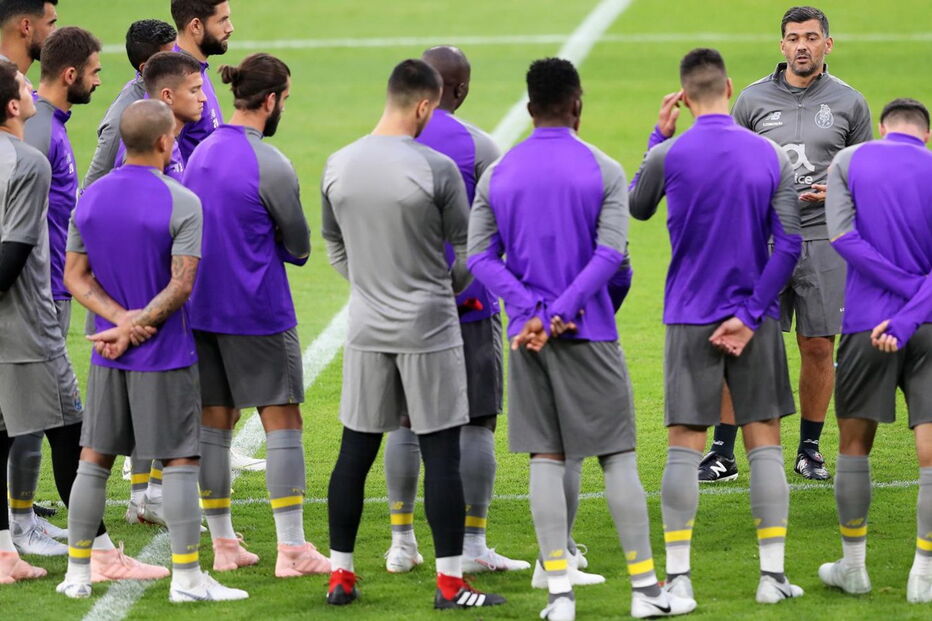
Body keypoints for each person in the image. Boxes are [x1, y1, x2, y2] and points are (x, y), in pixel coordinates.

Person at [468, 57, 694, 621]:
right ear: (577, 105)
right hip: (588, 332)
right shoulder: (604, 168)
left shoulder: (500, 172)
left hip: (528, 340)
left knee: (546, 457)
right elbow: (612, 254)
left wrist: (531, 313)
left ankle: (559, 596)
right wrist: (565, 310)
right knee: (617, 458)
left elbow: (479, 256)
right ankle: (645, 593)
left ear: (528, 108)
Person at [321, 58, 505, 610]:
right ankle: (451, 585)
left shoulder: (338, 163)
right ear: (425, 105)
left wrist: (372, 284)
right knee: (442, 452)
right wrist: (435, 288)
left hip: (367, 326)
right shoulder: (435, 167)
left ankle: (341, 577)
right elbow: (472, 248)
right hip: (430, 328)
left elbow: (334, 245)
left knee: (355, 452)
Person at [629, 48, 804, 606]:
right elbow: (791, 246)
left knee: (685, 445)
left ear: (683, 96)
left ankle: (678, 577)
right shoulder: (771, 153)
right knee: (765, 444)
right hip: (755, 321)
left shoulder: (671, 154)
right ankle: (773, 578)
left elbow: (637, 207)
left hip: (689, 317)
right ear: (729, 87)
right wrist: (750, 315)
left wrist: (658, 137)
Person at [57, 99, 247, 602]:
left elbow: (73, 276)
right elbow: (182, 284)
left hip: (107, 352)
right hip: (164, 353)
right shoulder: (181, 200)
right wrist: (137, 323)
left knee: (93, 461)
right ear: (166, 141)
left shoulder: (91, 197)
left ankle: (78, 574)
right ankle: (187, 580)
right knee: (182, 461)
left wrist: (117, 324)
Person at [702, 5, 873, 482]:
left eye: (812, 37)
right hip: (764, 241)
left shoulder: (850, 104)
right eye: (794, 37)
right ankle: (721, 452)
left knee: (817, 345)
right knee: (743, 341)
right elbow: (732, 168)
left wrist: (837, 192)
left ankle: (811, 450)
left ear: (827, 45)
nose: (802, 45)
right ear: (782, 45)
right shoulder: (752, 101)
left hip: (823, 237)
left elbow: (864, 176)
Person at [380, 45, 528, 575]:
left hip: (397, 307)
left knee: (404, 423)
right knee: (475, 425)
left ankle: (401, 543)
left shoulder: (382, 143)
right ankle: (472, 544)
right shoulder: (479, 145)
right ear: (459, 90)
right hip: (467, 306)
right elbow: (499, 231)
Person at [184, 53, 328, 578]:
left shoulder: (199, 154)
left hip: (201, 308)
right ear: (270, 101)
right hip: (258, 311)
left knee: (214, 426)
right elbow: (300, 245)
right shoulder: (271, 162)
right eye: (285, 98)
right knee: (282, 421)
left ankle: (224, 546)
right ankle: (292, 551)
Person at [819, 97, 932, 604]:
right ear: (925, 135)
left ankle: (854, 567)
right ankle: (924, 574)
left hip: (866, 325)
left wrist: (897, 293)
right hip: (928, 323)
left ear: (884, 128)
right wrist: (912, 308)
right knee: (930, 451)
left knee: (853, 445)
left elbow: (842, 237)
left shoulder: (849, 160)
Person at [0, 0, 60, 540]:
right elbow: (14, 251)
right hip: (24, 321)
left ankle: (8, 540)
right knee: (67, 423)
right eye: (23, 85)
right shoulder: (28, 161)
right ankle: (100, 549)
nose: (31, 89)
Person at [83, 18, 177, 189]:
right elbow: (93, 184)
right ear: (145, 68)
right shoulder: (121, 117)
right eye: (170, 59)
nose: (179, 64)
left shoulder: (175, 90)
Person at [114, 51, 205, 181]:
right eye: (194, 90)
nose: (203, 98)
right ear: (168, 95)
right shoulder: (146, 143)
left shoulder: (168, 140)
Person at [171, 0, 232, 161]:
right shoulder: (177, 82)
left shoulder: (197, 68)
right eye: (222, 20)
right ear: (196, 26)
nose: (230, 28)